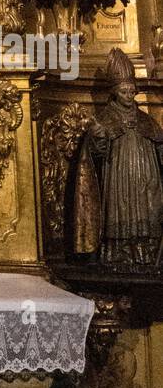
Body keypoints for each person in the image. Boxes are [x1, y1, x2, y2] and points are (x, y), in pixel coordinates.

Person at [73, 48, 163, 270]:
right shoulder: (104, 120)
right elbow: (94, 160)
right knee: (120, 208)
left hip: (145, 176)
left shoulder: (146, 120)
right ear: (114, 93)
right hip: (118, 176)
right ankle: (118, 253)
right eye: (124, 92)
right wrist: (97, 139)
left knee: (148, 209)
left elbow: (158, 143)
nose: (129, 96)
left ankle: (146, 253)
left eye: (132, 92)